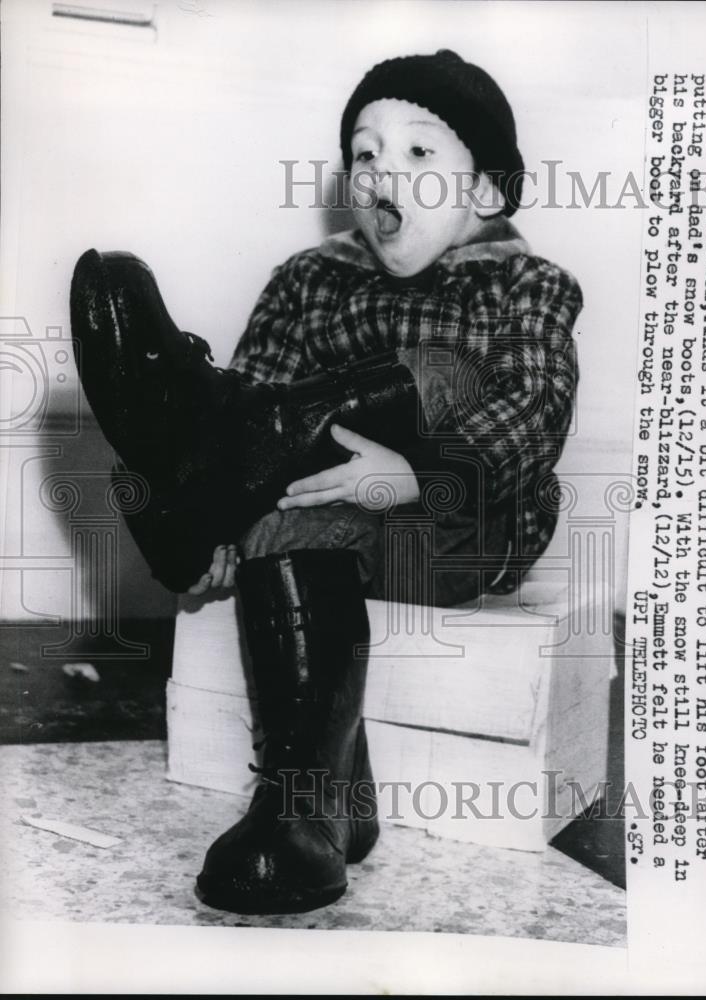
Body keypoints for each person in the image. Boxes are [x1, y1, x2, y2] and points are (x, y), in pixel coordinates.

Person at [70, 49, 583, 916]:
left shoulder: (525, 286)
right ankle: (309, 808)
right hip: (330, 510)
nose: (383, 172)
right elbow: (263, 413)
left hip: (464, 522)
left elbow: (534, 414)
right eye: (365, 152)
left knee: (438, 371)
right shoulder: (308, 280)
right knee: (280, 500)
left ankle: (194, 477)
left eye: (419, 155)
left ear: (486, 192)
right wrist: (235, 538)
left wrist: (413, 475)